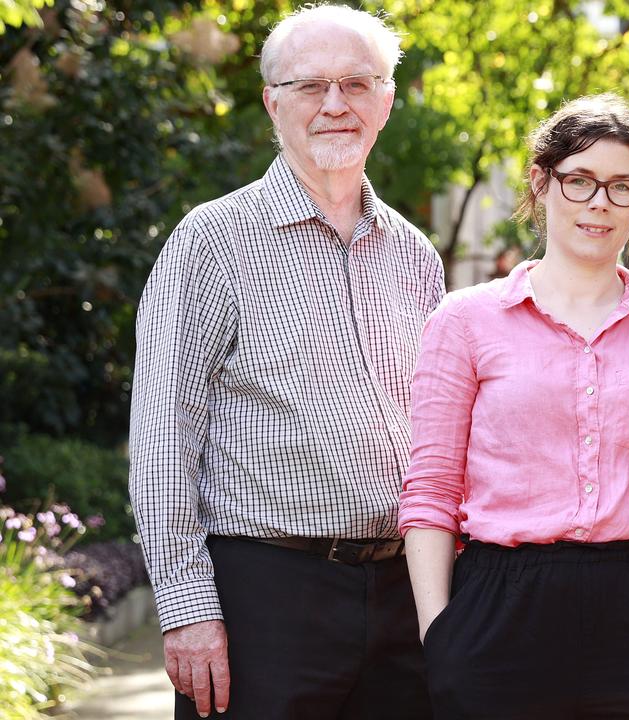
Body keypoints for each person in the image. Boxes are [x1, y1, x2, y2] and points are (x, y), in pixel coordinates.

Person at [128, 5, 443, 718]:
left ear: (386, 101)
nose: (335, 105)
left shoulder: (415, 254)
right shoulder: (211, 240)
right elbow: (161, 435)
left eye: (358, 84)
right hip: (264, 600)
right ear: (273, 103)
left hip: (406, 598)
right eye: (309, 87)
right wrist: (185, 608)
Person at [398, 93, 629, 719]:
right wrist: (440, 636)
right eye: (579, 181)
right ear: (541, 183)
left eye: (621, 186)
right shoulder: (465, 321)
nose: (599, 203)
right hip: (498, 613)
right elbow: (431, 492)